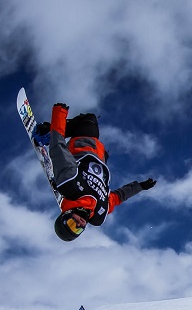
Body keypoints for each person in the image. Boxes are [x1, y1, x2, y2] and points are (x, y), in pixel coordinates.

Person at [33, 103, 157, 242]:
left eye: (72, 224)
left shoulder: (69, 185)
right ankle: (50, 132)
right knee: (92, 125)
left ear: (66, 215)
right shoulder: (99, 214)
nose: (79, 224)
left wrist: (59, 113)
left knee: (89, 119)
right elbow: (117, 197)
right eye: (77, 229)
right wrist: (140, 186)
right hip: (100, 155)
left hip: (83, 144)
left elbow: (58, 147)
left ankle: (45, 133)